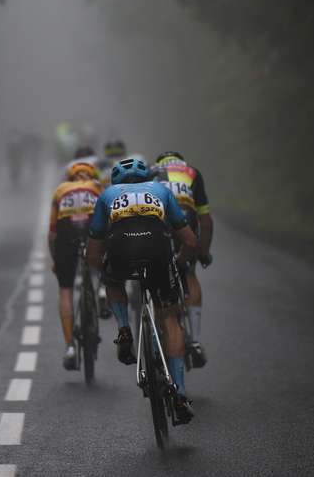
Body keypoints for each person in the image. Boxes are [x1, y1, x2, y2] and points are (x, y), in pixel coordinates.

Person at [86, 158, 198, 424]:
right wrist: (179, 262)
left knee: (113, 282)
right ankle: (180, 394)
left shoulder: (107, 195)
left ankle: (124, 329)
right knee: (170, 317)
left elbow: (93, 248)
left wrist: (102, 272)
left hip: (121, 250)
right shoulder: (162, 190)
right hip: (159, 251)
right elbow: (190, 240)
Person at [153, 151, 214, 368]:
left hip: (159, 223)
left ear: (160, 162)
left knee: (156, 276)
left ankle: (156, 334)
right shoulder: (192, 172)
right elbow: (205, 220)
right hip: (185, 221)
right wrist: (203, 251)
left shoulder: (152, 172)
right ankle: (195, 340)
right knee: (189, 274)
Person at [48, 161, 103, 370]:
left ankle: (70, 346)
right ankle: (104, 291)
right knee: (105, 250)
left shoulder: (60, 190)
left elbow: (52, 233)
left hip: (66, 236)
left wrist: (56, 260)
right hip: (91, 232)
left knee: (65, 289)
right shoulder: (97, 186)